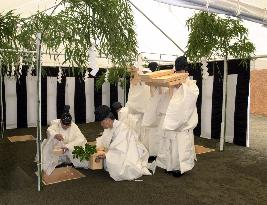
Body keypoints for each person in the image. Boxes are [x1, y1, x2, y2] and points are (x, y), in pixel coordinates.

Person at [156, 56, 199, 177]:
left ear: (186, 70)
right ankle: (168, 166)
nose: (180, 73)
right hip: (171, 121)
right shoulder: (171, 81)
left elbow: (190, 99)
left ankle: (179, 168)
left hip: (183, 124)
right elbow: (165, 100)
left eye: (182, 70)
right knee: (169, 145)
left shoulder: (191, 85)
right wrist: (171, 87)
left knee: (180, 147)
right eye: (178, 70)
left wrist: (182, 87)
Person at [95, 105, 151, 181]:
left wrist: (106, 155)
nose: (101, 125)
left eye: (102, 122)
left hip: (130, 155)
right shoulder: (109, 128)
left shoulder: (122, 129)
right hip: (118, 153)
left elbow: (121, 150)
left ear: (108, 120)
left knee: (120, 171)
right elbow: (104, 141)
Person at [42, 105, 88, 175]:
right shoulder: (56, 124)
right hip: (58, 148)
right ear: (60, 121)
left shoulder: (74, 126)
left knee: (81, 152)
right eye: (64, 125)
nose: (66, 126)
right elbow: (49, 130)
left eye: (68, 125)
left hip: (69, 148)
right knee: (52, 141)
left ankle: (69, 159)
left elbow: (80, 138)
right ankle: (58, 160)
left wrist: (68, 146)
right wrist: (55, 135)